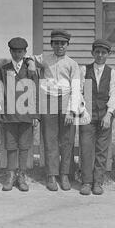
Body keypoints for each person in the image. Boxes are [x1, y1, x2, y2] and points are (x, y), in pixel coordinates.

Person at [29, 29, 82, 191]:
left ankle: (65, 174)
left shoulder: (72, 64)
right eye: (56, 43)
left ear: (67, 45)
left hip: (66, 102)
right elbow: (29, 57)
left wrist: (71, 110)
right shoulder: (45, 58)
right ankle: (51, 175)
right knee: (50, 139)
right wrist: (31, 63)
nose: (59, 46)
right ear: (52, 44)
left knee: (67, 140)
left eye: (63, 43)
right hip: (49, 101)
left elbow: (76, 88)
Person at [0, 37, 39, 191]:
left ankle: (21, 176)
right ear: (10, 51)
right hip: (9, 115)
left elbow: (36, 93)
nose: (17, 54)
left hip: (27, 115)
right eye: (14, 51)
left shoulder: (31, 70)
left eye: (20, 51)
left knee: (24, 146)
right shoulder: (3, 69)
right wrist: (0, 112)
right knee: (10, 146)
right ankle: (10, 176)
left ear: (25, 52)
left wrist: (35, 115)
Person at [78, 39, 115, 195]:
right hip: (87, 115)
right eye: (97, 52)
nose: (100, 55)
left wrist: (109, 114)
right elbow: (79, 92)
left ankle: (98, 182)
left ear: (108, 54)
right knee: (86, 148)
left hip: (104, 116)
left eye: (104, 52)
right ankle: (86, 182)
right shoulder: (84, 70)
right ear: (93, 53)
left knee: (102, 150)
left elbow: (113, 94)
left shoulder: (111, 72)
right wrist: (84, 111)